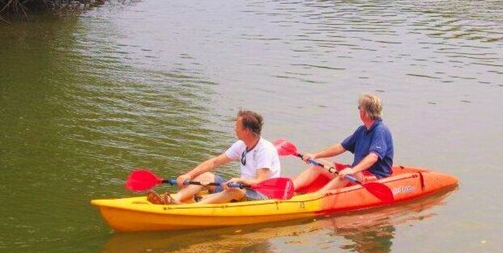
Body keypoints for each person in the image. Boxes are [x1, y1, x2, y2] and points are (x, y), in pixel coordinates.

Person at [147, 110, 281, 205]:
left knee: (235, 190)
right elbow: (214, 162)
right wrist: (188, 175)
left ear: (246, 131)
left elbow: (259, 182)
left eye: (237, 126)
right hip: (242, 188)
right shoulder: (241, 145)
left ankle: (193, 208)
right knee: (205, 176)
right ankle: (173, 198)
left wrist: (238, 180)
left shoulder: (265, 149)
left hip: (263, 195)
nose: (234, 129)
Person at [293, 93, 393, 194]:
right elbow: (341, 147)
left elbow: (373, 157)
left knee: (348, 175)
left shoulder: (380, 131)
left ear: (364, 112)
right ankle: (289, 189)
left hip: (375, 177)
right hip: (358, 172)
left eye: (359, 108)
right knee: (318, 164)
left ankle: (316, 197)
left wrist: (352, 171)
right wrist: (315, 155)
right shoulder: (362, 130)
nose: (359, 111)